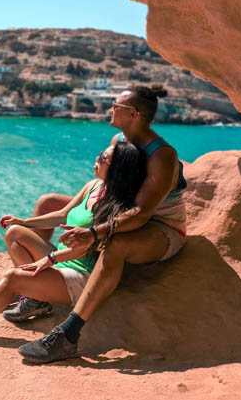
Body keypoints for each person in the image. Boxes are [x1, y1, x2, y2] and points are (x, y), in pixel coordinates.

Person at [17, 85, 187, 363]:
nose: (110, 109)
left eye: (115, 106)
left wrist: (95, 232)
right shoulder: (118, 138)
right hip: (117, 212)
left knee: (116, 244)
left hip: (161, 228)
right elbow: (107, 184)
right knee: (48, 202)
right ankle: (41, 288)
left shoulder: (161, 156)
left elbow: (142, 214)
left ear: (133, 113)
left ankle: (67, 336)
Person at [0, 141, 147, 343]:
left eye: (103, 158)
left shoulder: (119, 206)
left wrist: (49, 259)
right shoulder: (93, 186)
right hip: (60, 263)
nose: (96, 159)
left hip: (81, 277)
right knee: (15, 232)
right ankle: (36, 300)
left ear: (117, 168)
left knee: (12, 278)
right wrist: (25, 221)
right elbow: (63, 215)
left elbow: (87, 250)